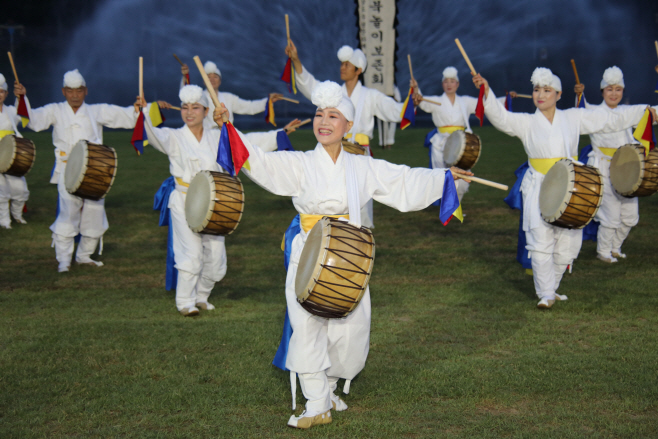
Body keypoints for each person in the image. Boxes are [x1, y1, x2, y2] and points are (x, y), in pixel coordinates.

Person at [212, 80, 471, 429]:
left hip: (348, 256)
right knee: (307, 326)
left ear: (348, 125)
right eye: (319, 114)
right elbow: (258, 162)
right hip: (310, 250)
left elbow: (402, 180)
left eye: (333, 115)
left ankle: (330, 387)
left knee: (350, 331)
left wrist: (443, 177)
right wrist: (228, 128)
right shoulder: (301, 164)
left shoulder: (362, 166)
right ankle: (316, 401)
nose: (323, 121)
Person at [473, 68, 656, 309]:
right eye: (537, 90)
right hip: (539, 185)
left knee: (568, 246)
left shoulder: (573, 117)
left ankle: (553, 286)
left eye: (547, 90)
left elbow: (612, 119)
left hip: (572, 186)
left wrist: (649, 111)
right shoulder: (526, 122)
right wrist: (486, 91)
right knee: (540, 240)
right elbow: (501, 118)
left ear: (558, 95)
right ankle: (545, 293)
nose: (540, 95)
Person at [143, 86, 300, 316]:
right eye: (185, 107)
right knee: (191, 255)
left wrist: (280, 133)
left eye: (195, 107)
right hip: (183, 201)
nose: (189, 112)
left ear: (206, 111)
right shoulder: (174, 137)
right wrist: (143, 114)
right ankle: (185, 301)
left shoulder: (217, 136)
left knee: (217, 262)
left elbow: (246, 143)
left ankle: (202, 296)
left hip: (214, 201)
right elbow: (153, 134)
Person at [21, 69, 139, 272]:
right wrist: (22, 98)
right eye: (70, 91)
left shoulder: (96, 111)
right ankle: (64, 261)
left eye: (79, 91)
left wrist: (139, 108)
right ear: (63, 91)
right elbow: (33, 121)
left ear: (86, 91)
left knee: (94, 214)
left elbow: (126, 116)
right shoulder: (55, 110)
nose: (74, 95)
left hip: (95, 170)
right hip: (67, 170)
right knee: (68, 214)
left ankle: (84, 255)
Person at [285, 40, 405, 228]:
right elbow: (312, 86)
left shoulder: (371, 95)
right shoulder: (334, 94)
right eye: (341, 64)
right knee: (331, 195)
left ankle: (359, 242)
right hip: (334, 150)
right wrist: (297, 60)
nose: (342, 68)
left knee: (360, 199)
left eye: (347, 65)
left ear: (358, 70)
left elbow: (394, 110)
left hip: (358, 153)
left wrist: (412, 103)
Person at [574, 67, 652, 263]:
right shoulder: (592, 111)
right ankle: (603, 252)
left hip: (627, 169)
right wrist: (579, 95)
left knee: (630, 217)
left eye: (618, 89)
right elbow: (579, 113)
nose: (614, 93)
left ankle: (615, 248)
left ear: (623, 91)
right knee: (610, 216)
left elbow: (653, 112)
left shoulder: (629, 112)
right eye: (610, 89)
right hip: (603, 167)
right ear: (602, 92)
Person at [413, 67, 514, 201]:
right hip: (440, 143)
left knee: (461, 176)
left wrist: (506, 99)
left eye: (452, 81)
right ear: (442, 84)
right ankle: (446, 206)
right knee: (441, 177)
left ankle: (457, 203)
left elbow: (485, 103)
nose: (449, 84)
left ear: (458, 84)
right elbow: (420, 101)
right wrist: (415, 89)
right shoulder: (435, 100)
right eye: (446, 82)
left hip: (461, 143)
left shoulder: (465, 101)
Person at [179, 61, 283, 131]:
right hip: (207, 137)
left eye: (215, 77)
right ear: (204, 81)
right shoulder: (199, 97)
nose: (212, 79)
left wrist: (268, 101)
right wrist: (185, 76)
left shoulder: (229, 97)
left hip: (226, 135)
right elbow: (186, 95)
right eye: (208, 77)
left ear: (220, 80)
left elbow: (249, 106)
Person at [0, 74, 29, 229]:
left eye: (0, 92)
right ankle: (5, 221)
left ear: (6, 94)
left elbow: (24, 115)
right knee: (1, 191)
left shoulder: (11, 111)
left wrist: (21, 97)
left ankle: (17, 215)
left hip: (12, 156)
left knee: (20, 190)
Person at [376, 84, 401, 149]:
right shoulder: (380, 86)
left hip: (391, 108)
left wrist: (393, 99)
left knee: (392, 125)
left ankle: (389, 142)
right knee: (382, 125)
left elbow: (398, 99)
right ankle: (383, 143)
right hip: (381, 108)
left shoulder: (393, 86)